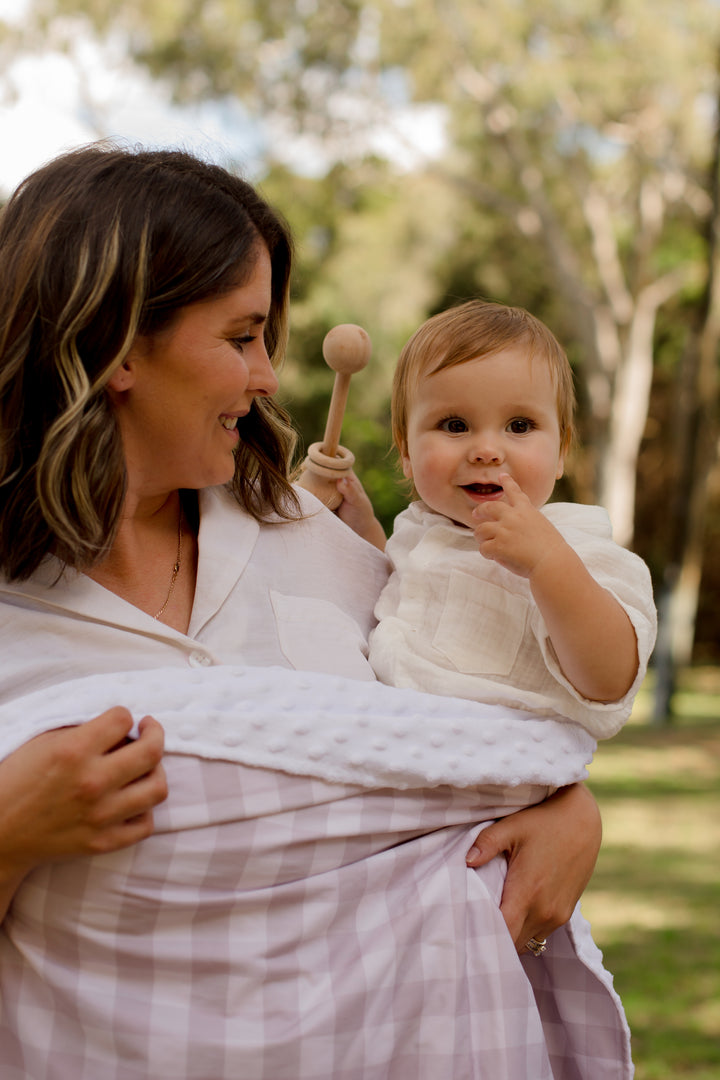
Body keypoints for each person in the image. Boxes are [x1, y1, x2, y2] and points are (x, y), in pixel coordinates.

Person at [0, 145, 624, 1080]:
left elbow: (452, 737)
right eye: (243, 336)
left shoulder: (318, 545)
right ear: (121, 347)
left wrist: (569, 809)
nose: (266, 378)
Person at [342, 300, 656, 741]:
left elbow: (608, 680)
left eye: (520, 425)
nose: (487, 450)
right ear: (407, 451)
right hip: (399, 755)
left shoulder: (577, 545)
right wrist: (362, 527)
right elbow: (395, 593)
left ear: (562, 451)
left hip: (499, 765)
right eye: (454, 425)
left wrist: (547, 563)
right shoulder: (418, 531)